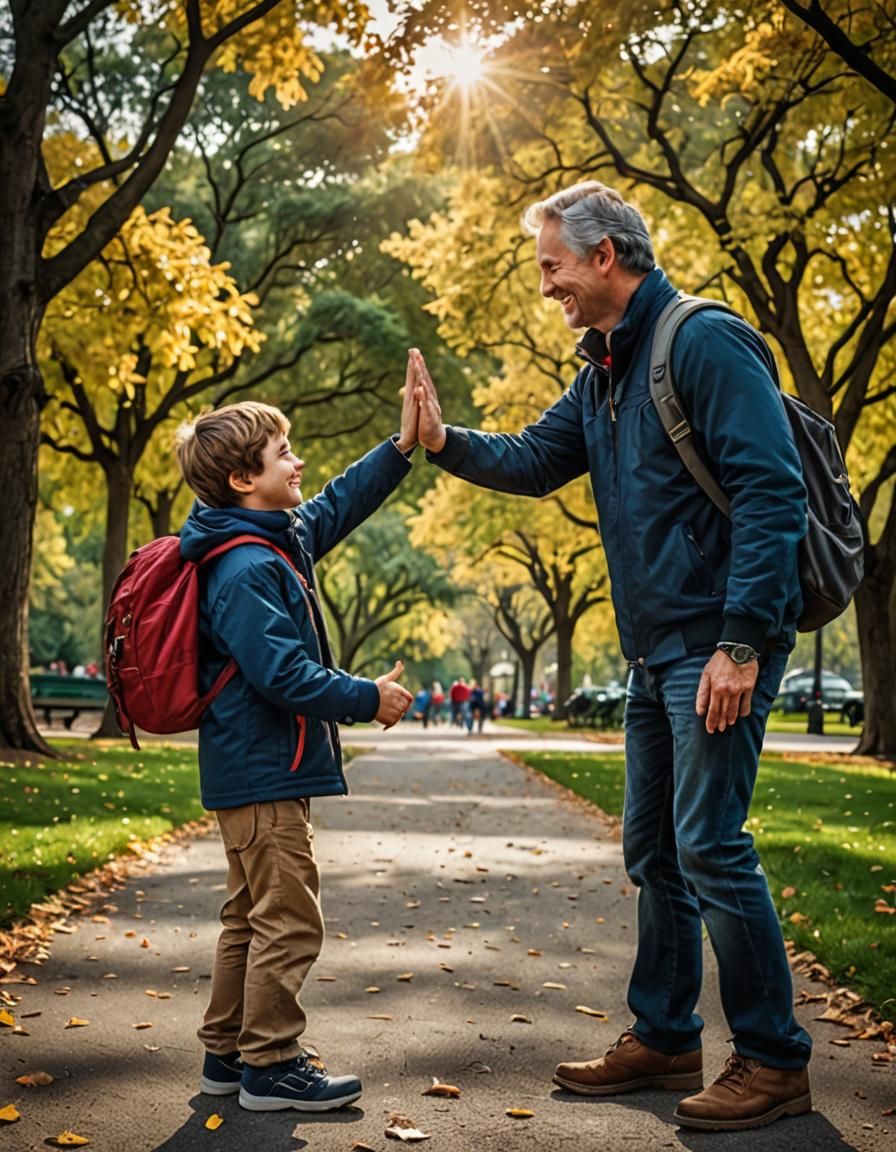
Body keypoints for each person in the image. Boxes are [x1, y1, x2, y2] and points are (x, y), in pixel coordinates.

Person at [411, 181, 812, 1132]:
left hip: (715, 646)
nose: (545, 284)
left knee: (711, 844)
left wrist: (742, 643)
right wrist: (441, 441)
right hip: (652, 654)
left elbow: (770, 489)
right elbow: (536, 459)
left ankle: (774, 1058)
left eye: (552, 266)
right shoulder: (603, 371)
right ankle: (667, 1037)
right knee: (655, 850)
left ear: (603, 256)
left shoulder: (700, 341)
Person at [174, 382, 417, 1114]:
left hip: (255, 770)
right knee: (289, 919)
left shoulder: (269, 538)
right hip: (263, 774)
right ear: (244, 479)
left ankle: (228, 1051)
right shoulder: (246, 568)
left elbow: (337, 502)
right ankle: (272, 1064)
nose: (301, 462)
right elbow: (282, 673)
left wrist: (401, 449)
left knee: (250, 915)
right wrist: (367, 696)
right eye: (285, 453)